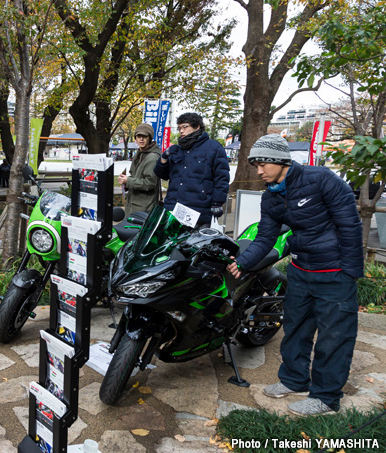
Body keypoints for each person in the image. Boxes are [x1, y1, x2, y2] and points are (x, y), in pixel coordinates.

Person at [226, 134, 363, 416]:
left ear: (280, 161)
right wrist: (243, 262)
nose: (259, 170)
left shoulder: (322, 179)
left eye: (263, 164)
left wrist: (350, 272)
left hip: (334, 273)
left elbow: (349, 226)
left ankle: (326, 398)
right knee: (295, 328)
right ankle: (294, 380)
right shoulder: (270, 197)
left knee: (333, 337)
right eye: (256, 165)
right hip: (301, 270)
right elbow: (265, 238)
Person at [153, 112, 229, 227]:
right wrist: (164, 157)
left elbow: (222, 178)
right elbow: (161, 174)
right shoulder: (177, 149)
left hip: (199, 211)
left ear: (197, 126)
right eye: (179, 128)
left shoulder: (214, 148)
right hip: (173, 208)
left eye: (185, 127)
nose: (181, 131)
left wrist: (217, 203)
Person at [117, 123, 162, 215]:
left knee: (137, 229)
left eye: (144, 136)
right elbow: (134, 176)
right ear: (135, 138)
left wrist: (128, 181)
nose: (141, 139)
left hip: (143, 207)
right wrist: (125, 181)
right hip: (135, 204)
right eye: (139, 136)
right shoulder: (139, 154)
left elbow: (150, 183)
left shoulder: (152, 157)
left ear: (149, 138)